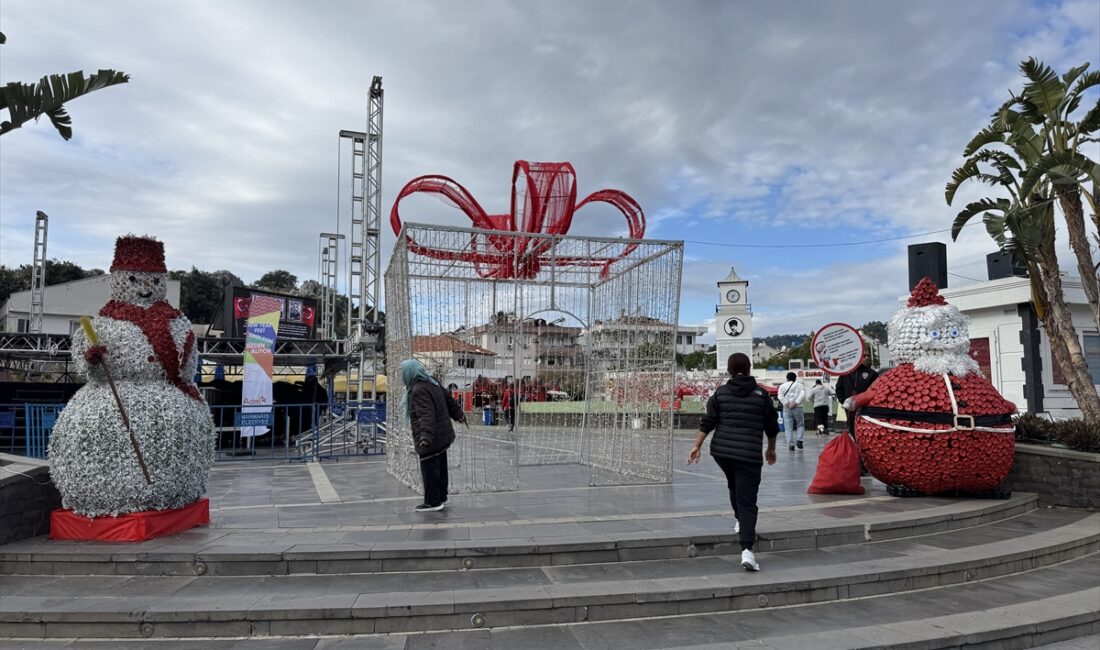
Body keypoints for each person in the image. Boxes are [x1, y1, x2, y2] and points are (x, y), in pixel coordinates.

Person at [687, 353, 779, 572]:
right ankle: (747, 550)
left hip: (722, 452)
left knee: (734, 485)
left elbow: (708, 421)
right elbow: (772, 425)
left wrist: (696, 446)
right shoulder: (761, 395)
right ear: (749, 369)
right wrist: (771, 448)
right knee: (747, 499)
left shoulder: (721, 393)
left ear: (728, 370)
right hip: (748, 454)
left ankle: (739, 519)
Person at [400, 359, 466, 513]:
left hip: (432, 437)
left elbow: (426, 415)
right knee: (440, 467)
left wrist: (425, 438)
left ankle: (433, 501)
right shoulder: (432, 382)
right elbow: (449, 399)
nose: (401, 375)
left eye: (402, 371)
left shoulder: (418, 390)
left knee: (430, 469)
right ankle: (441, 497)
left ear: (410, 372)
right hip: (442, 435)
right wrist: (458, 415)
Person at [835, 363, 879, 438]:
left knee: (865, 429)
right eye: (864, 355)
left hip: (865, 409)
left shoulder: (872, 373)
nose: (866, 357)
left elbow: (876, 389)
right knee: (852, 428)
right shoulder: (845, 373)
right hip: (850, 409)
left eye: (867, 356)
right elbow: (839, 388)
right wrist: (844, 401)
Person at [777, 372, 807, 451]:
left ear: (787, 378)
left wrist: (787, 403)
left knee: (788, 427)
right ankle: (799, 440)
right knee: (800, 425)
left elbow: (780, 396)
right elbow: (803, 394)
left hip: (787, 408)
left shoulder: (782, 386)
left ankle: (791, 444)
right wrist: (796, 402)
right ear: (795, 378)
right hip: (798, 407)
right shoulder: (800, 385)